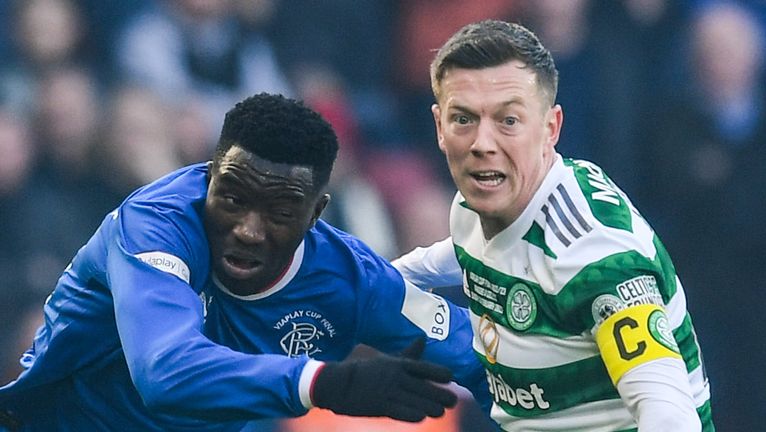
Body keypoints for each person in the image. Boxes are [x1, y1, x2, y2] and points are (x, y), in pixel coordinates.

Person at [0, 93, 489, 431]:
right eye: (232, 199)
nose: (249, 231)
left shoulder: (351, 278)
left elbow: (485, 357)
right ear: (211, 177)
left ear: (315, 213)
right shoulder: (154, 226)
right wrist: (320, 382)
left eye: (279, 212)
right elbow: (165, 370)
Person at [393, 20, 713, 431]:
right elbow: (469, 247)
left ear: (550, 129)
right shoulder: (478, 204)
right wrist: (387, 278)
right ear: (439, 126)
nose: (482, 143)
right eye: (463, 119)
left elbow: (670, 415)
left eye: (508, 120)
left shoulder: (595, 258)